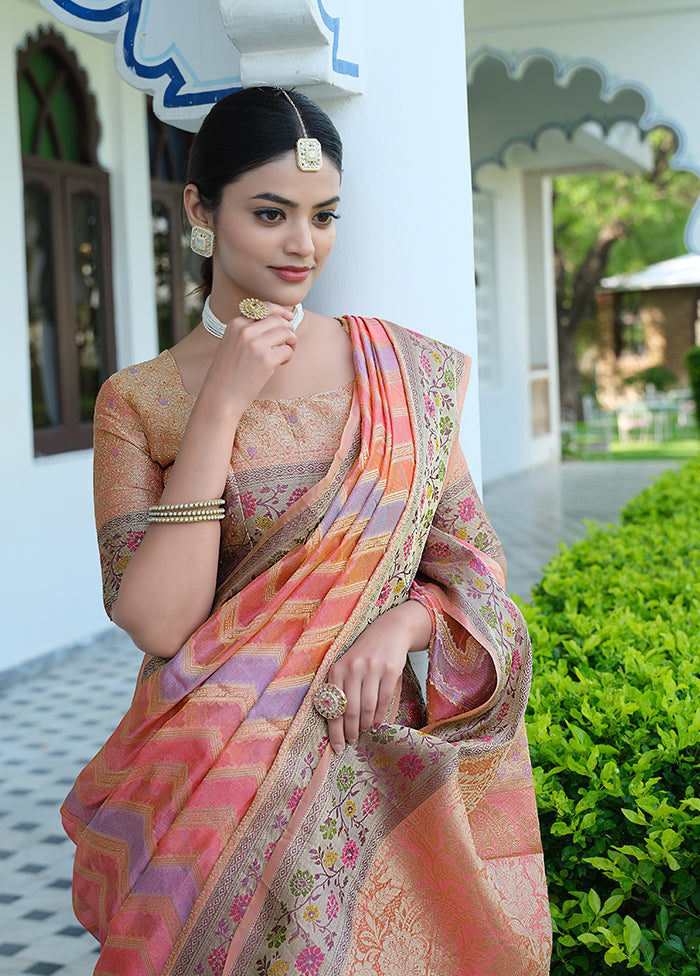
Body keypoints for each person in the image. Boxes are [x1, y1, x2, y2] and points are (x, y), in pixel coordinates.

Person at [61, 86, 552, 976]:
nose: (303, 245)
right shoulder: (139, 401)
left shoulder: (400, 374)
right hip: (203, 785)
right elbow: (158, 623)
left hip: (366, 777)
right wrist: (219, 408)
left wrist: (403, 626)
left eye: (323, 216)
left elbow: (476, 571)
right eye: (270, 213)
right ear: (201, 211)